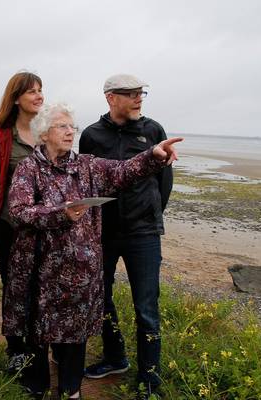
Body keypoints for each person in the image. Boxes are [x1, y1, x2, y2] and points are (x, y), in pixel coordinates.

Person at [3, 103, 181, 399]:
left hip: (79, 269)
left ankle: (71, 390)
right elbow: (19, 211)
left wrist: (152, 155)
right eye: (62, 126)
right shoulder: (29, 168)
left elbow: (123, 171)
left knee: (74, 334)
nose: (71, 131)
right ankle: (37, 387)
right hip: (38, 267)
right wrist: (61, 213)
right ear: (44, 134)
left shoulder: (86, 165)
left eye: (72, 126)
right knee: (37, 329)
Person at [80, 74, 172, 399]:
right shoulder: (91, 135)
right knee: (101, 299)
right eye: (131, 94)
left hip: (143, 234)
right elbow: (85, 181)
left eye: (141, 93)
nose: (138, 98)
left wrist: (149, 213)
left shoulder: (153, 131)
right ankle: (115, 358)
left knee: (146, 307)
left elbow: (164, 183)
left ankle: (150, 380)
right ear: (110, 97)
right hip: (102, 232)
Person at [0, 71, 44, 372]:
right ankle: (16, 349)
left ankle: (39, 344)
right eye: (31, 91)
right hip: (9, 227)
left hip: (44, 228)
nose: (38, 96)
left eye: (41, 90)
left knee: (42, 287)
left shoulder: (48, 131)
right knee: (14, 288)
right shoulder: (2, 136)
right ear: (16, 98)